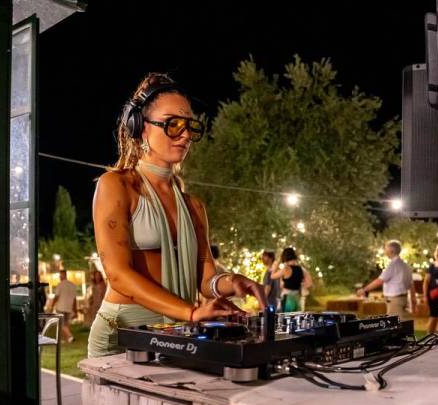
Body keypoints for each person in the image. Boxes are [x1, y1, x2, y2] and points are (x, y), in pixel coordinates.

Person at [88, 73, 265, 358]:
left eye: (190, 126)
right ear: (140, 127)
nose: (185, 135)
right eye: (173, 124)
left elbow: (206, 281)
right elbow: (118, 275)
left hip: (177, 334)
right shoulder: (116, 185)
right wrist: (191, 312)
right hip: (122, 334)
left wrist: (232, 282)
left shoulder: (194, 206)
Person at [358, 240, 416, 320]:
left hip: (394, 301)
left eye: (385, 248)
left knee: (394, 323)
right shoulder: (405, 266)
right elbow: (411, 285)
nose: (384, 251)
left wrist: (364, 290)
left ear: (391, 251)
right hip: (403, 299)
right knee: (402, 323)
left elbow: (380, 280)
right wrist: (413, 301)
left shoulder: (393, 265)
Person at [270, 247, 304, 312]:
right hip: (297, 298)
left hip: (287, 298)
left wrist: (279, 261)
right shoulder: (300, 269)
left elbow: (272, 276)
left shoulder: (286, 269)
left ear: (284, 256)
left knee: (284, 317)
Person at [423, 244, 438, 334]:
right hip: (434, 296)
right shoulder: (432, 266)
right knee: (434, 316)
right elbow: (426, 282)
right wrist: (425, 296)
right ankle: (428, 336)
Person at [51, 269, 77, 343]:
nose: (59, 277)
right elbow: (74, 299)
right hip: (69, 307)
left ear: (63, 275)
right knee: (66, 324)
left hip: (61, 307)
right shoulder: (72, 285)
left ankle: (70, 336)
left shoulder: (60, 284)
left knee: (61, 324)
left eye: (60, 275)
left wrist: (52, 305)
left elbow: (56, 296)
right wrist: (75, 309)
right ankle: (67, 339)